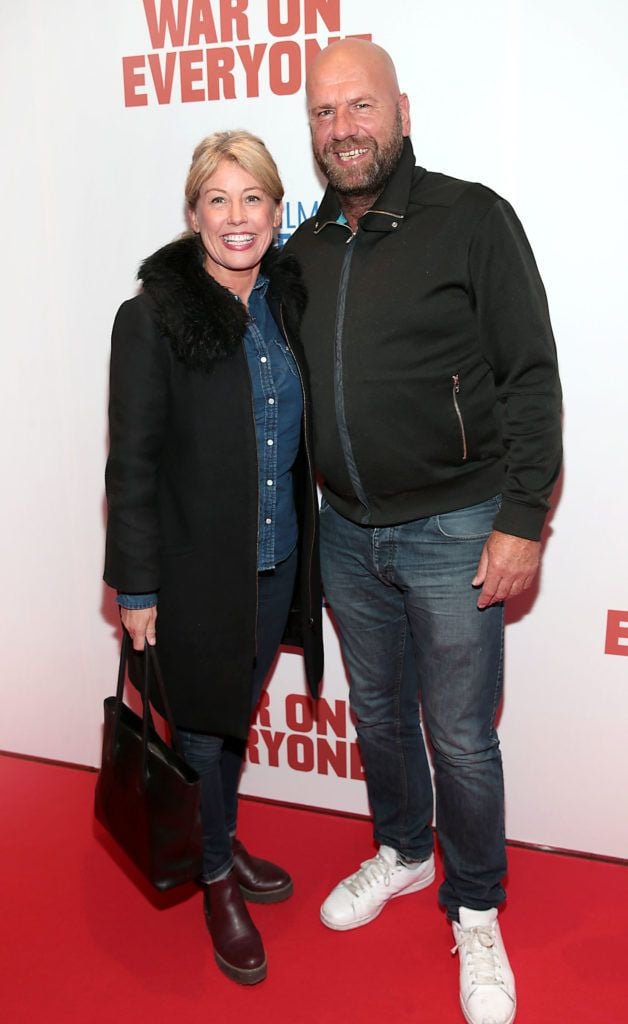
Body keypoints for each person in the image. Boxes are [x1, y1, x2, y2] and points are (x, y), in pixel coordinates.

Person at [286, 39, 562, 1024]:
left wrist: (522, 516)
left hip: (455, 526)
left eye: (358, 107)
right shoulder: (305, 246)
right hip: (347, 531)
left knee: (458, 731)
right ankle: (403, 850)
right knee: (378, 711)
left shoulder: (470, 217)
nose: (342, 129)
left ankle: (474, 902)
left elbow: (529, 373)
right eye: (323, 114)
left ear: (398, 108)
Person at [104, 130, 323, 986]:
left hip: (277, 566)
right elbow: (132, 461)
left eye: (255, 198)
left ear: (276, 209)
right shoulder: (153, 317)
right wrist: (138, 583)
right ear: (195, 212)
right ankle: (216, 875)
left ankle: (220, 843)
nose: (239, 217)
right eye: (219, 199)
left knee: (230, 720)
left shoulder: (285, 304)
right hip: (194, 573)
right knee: (200, 730)